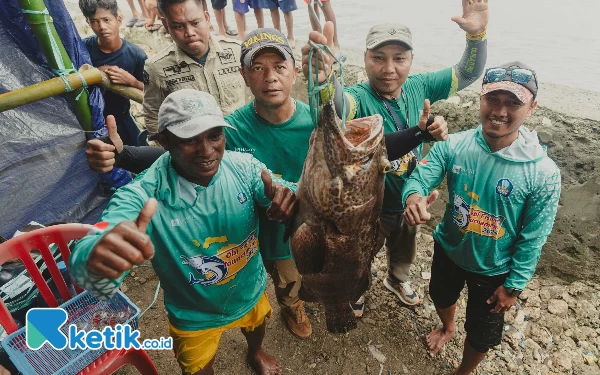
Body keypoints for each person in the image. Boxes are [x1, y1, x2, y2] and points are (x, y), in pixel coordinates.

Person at [83, 27, 445, 340]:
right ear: (243, 75)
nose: (270, 77)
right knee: (287, 281)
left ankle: (332, 296)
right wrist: (125, 156)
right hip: (269, 231)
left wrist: (416, 132)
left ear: (293, 72)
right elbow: (185, 153)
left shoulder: (317, 122)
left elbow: (364, 149)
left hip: (314, 218)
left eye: (279, 66)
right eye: (258, 68)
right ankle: (293, 308)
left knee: (332, 268)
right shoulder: (231, 130)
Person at [69, 90, 296, 375]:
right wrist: (96, 259)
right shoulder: (143, 195)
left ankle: (256, 352)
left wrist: (288, 197)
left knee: (257, 325)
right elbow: (91, 251)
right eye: (190, 139)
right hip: (194, 315)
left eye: (215, 135)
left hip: (249, 289)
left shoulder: (244, 167)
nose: (206, 150)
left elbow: (279, 190)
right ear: (163, 140)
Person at [302, 0, 489, 312]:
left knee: (405, 245)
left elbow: (467, 73)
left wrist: (478, 35)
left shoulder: (421, 85)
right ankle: (355, 285)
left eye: (399, 58)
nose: (389, 69)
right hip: (367, 208)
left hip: (409, 199)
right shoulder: (359, 97)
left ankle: (397, 278)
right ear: (364, 59)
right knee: (360, 251)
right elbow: (336, 110)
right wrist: (325, 81)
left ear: (411, 59)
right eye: (378, 58)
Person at [402, 62, 561, 375]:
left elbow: (533, 237)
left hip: (495, 270)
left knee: (482, 333)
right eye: (492, 99)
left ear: (531, 107)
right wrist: (413, 198)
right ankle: (448, 327)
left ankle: (464, 372)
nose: (499, 111)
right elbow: (421, 177)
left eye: (513, 102)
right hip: (449, 249)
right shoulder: (454, 144)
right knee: (440, 294)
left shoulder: (543, 173)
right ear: (480, 99)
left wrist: (514, 286)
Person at [144, 0, 246, 136]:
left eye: (195, 23)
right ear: (166, 26)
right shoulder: (156, 68)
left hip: (241, 143)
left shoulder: (238, 51)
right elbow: (153, 116)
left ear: (207, 18)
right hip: (195, 153)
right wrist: (169, 151)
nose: (189, 32)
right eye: (178, 26)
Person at [80, 0, 147, 146]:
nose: (102, 27)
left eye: (106, 20)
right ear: (88, 23)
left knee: (142, 159)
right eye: (94, 21)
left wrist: (132, 81)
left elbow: (152, 91)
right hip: (87, 122)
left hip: (121, 119)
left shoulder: (136, 55)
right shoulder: (83, 49)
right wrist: (96, 73)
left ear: (119, 19)